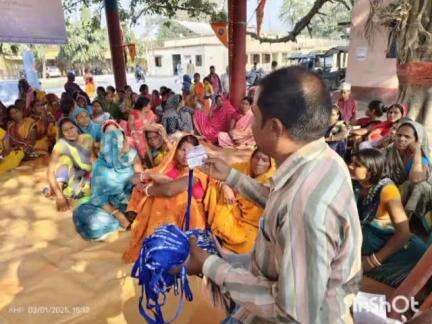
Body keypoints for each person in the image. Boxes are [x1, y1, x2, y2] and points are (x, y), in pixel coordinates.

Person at [185, 66, 362, 323]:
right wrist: (232, 177)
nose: (248, 124)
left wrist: (209, 266)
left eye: (254, 116)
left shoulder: (304, 208)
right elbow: (281, 200)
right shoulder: (326, 159)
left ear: (275, 128)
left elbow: (294, 313)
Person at [123, 134, 209, 263]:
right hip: (170, 215)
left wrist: (148, 189)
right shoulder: (170, 166)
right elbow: (134, 178)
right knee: (159, 189)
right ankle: (157, 239)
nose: (186, 155)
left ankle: (163, 241)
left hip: (191, 219)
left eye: (191, 151)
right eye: (183, 150)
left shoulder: (196, 171)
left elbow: (170, 191)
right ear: (176, 150)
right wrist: (148, 176)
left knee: (173, 194)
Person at [350, 148, 427, 287]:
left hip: (397, 254)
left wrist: (372, 261)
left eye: (357, 165)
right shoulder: (356, 185)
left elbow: (403, 233)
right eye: (352, 162)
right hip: (372, 247)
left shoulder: (388, 191)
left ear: (370, 171)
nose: (350, 166)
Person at [73, 121, 143, 240]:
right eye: (108, 135)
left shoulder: (132, 155)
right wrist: (120, 216)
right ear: (104, 140)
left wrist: (133, 202)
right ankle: (119, 223)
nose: (113, 138)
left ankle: (126, 221)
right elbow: (100, 199)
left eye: (116, 133)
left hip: (133, 202)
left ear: (122, 135)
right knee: (87, 218)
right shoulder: (100, 166)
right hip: (110, 206)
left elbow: (140, 179)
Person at [205, 150, 276, 253]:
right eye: (256, 158)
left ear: (270, 165)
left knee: (247, 245)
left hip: (251, 223)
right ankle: (213, 227)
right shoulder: (241, 168)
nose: (259, 163)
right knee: (214, 187)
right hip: (233, 210)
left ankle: (222, 238)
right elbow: (221, 176)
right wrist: (225, 187)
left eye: (264, 160)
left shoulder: (271, 182)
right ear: (251, 158)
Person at [385, 118, 432, 234]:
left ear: (417, 140)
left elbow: (415, 178)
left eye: (407, 137)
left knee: (416, 185)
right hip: (396, 193)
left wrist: (417, 152)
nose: (401, 139)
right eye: (399, 135)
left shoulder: (422, 159)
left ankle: (405, 226)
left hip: (422, 200)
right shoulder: (391, 151)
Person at [47, 118, 94, 211]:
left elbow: (94, 159)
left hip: (89, 174)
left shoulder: (88, 138)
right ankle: (60, 185)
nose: (70, 132)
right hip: (74, 176)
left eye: (71, 128)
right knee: (66, 159)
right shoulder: (61, 145)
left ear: (77, 127)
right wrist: (60, 197)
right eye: (65, 130)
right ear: (62, 133)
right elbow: (50, 171)